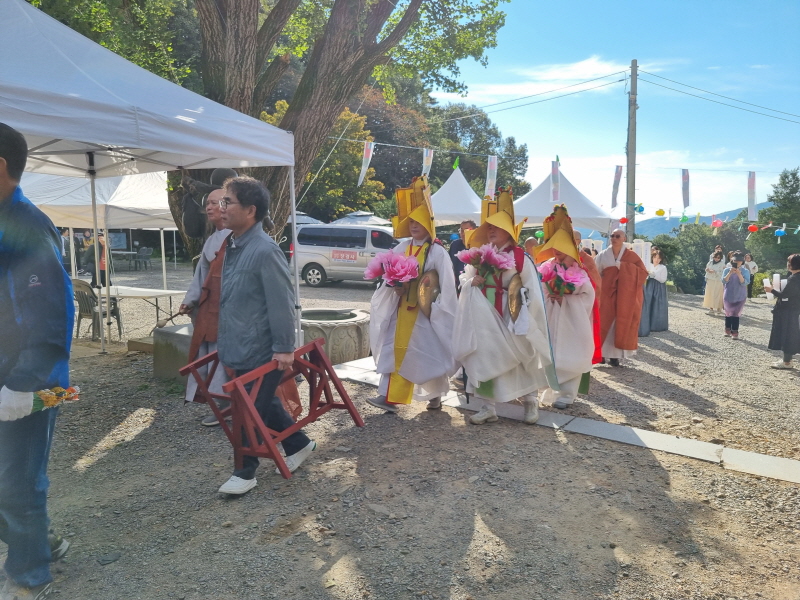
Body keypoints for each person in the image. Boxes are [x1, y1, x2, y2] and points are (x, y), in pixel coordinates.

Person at [0, 122, 74, 600]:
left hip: (28, 381)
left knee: (20, 482)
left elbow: (52, 312)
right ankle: (39, 542)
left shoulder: (27, 225)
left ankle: (29, 578)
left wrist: (24, 382)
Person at [215, 176, 315, 496]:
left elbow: (281, 301)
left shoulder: (264, 250)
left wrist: (285, 347)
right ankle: (298, 444)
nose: (221, 208)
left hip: (259, 348)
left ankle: (245, 471)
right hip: (239, 343)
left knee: (249, 410)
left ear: (250, 210)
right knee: (264, 402)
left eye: (228, 202)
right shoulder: (234, 244)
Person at [452, 187, 555, 425]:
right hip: (484, 316)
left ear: (508, 231)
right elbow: (464, 279)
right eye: (489, 227)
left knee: (523, 358)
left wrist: (523, 310)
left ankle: (530, 402)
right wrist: (470, 282)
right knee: (484, 356)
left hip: (513, 316)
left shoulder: (521, 258)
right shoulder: (479, 255)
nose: (491, 231)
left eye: (496, 227)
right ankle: (488, 407)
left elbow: (532, 290)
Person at [368, 176, 458, 413]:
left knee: (428, 355)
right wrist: (395, 286)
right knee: (395, 351)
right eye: (411, 222)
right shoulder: (402, 247)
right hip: (401, 311)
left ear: (428, 225)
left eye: (418, 222)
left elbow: (447, 285)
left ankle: (435, 395)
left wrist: (437, 309)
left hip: (424, 314)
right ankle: (389, 397)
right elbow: (388, 273)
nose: (414, 226)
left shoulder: (437, 252)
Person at [533, 206, 596, 410]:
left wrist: (567, 301)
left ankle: (567, 394)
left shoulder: (580, 269)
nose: (557, 252)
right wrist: (549, 296)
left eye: (560, 247)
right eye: (554, 247)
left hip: (572, 319)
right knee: (548, 352)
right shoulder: (548, 266)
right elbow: (539, 287)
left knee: (571, 352)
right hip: (550, 314)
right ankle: (548, 389)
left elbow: (588, 295)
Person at [595, 229, 649, 366]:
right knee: (604, 322)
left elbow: (643, 273)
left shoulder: (631, 256)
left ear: (624, 238)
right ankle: (600, 354)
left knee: (619, 323)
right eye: (612, 236)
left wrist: (625, 267)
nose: (614, 238)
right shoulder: (602, 255)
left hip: (625, 295)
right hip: (607, 294)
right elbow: (596, 273)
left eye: (617, 236)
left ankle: (615, 356)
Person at [764, 254, 800, 369]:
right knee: (790, 334)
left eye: (789, 262)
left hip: (788, 311)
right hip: (794, 309)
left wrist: (771, 290)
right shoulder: (795, 277)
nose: (787, 264)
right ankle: (787, 360)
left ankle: (787, 362)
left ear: (792, 264)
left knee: (787, 335)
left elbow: (784, 295)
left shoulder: (795, 278)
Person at [639, 248, 669, 336]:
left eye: (659, 258)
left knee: (657, 305)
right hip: (649, 285)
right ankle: (646, 324)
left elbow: (663, 279)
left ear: (661, 259)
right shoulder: (649, 265)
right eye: (655, 257)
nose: (656, 259)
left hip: (659, 287)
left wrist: (654, 275)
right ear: (652, 257)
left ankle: (657, 326)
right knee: (647, 303)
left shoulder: (663, 267)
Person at [722, 251, 750, 340]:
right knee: (728, 313)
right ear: (732, 261)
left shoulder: (745, 271)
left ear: (742, 262)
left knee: (736, 314)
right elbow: (724, 281)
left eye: (739, 261)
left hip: (740, 295)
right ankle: (727, 329)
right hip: (728, 294)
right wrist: (730, 272)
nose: (737, 262)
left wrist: (739, 273)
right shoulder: (726, 270)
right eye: (735, 261)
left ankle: (735, 332)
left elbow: (745, 283)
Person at [448, 219, 476, 286]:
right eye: (461, 230)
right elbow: (449, 264)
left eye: (467, 230)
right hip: (456, 283)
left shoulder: (477, 246)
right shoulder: (455, 245)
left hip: (472, 283)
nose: (463, 233)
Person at [574, 231, 601, 300]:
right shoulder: (561, 256)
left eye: (571, 239)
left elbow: (596, 282)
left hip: (583, 298)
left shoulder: (587, 259)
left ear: (578, 241)